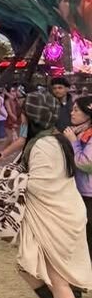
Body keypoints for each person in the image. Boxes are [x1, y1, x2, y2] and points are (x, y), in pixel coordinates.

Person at [12, 91, 92, 298]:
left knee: (56, 277)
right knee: (27, 268)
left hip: (55, 217)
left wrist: (10, 181)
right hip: (56, 214)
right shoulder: (51, 140)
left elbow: (42, 185)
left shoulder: (46, 144)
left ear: (31, 115)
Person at [63, 94, 92, 263]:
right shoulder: (80, 131)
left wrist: (74, 142)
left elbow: (86, 163)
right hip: (80, 192)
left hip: (89, 195)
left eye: (76, 110)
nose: (71, 113)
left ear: (87, 114)